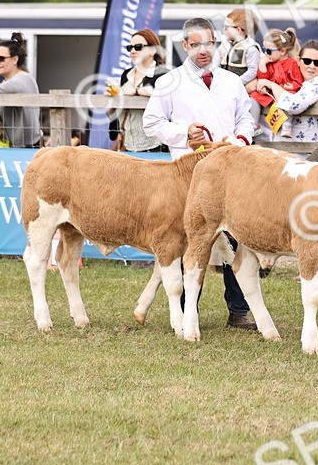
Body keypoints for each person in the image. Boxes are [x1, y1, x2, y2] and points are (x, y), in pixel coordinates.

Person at [142, 17, 258, 330]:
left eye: (208, 43)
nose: (203, 50)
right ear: (185, 47)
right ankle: (184, 309)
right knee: (192, 240)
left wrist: (241, 139)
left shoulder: (231, 81)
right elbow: (151, 124)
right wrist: (184, 133)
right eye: (195, 45)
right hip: (188, 177)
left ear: (216, 43)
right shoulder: (169, 82)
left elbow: (246, 119)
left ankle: (239, 310)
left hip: (230, 173)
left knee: (236, 237)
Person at [253, 39, 318, 143]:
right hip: (283, 149)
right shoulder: (291, 77)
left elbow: (294, 105)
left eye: (317, 63)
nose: (312, 66)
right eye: (307, 61)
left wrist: (271, 85)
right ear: (298, 61)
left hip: (309, 152)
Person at [113, 28, 169, 153]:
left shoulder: (164, 75)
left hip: (155, 147)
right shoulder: (126, 75)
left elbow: (171, 106)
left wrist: (139, 92)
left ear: (152, 50)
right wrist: (115, 96)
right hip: (127, 146)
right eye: (130, 47)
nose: (133, 51)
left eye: (138, 47)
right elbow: (116, 113)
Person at [0, 33, 42, 148]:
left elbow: (9, 87)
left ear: (15, 59)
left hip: (27, 147)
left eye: (1, 58)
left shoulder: (24, 78)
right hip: (10, 147)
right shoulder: (6, 84)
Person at [248, 28, 303, 140]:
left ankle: (287, 124)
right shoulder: (269, 63)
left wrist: (292, 86)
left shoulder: (291, 63)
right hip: (269, 94)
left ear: (282, 51)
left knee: (288, 99)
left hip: (284, 91)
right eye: (265, 50)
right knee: (254, 96)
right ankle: (254, 124)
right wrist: (262, 65)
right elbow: (263, 79)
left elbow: (298, 81)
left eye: (269, 51)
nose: (266, 54)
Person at [218, 8, 260, 84]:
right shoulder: (225, 43)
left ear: (238, 30)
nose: (223, 29)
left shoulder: (250, 48)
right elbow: (215, 61)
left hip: (239, 85)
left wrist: (236, 82)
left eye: (226, 27)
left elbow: (253, 71)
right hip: (222, 82)